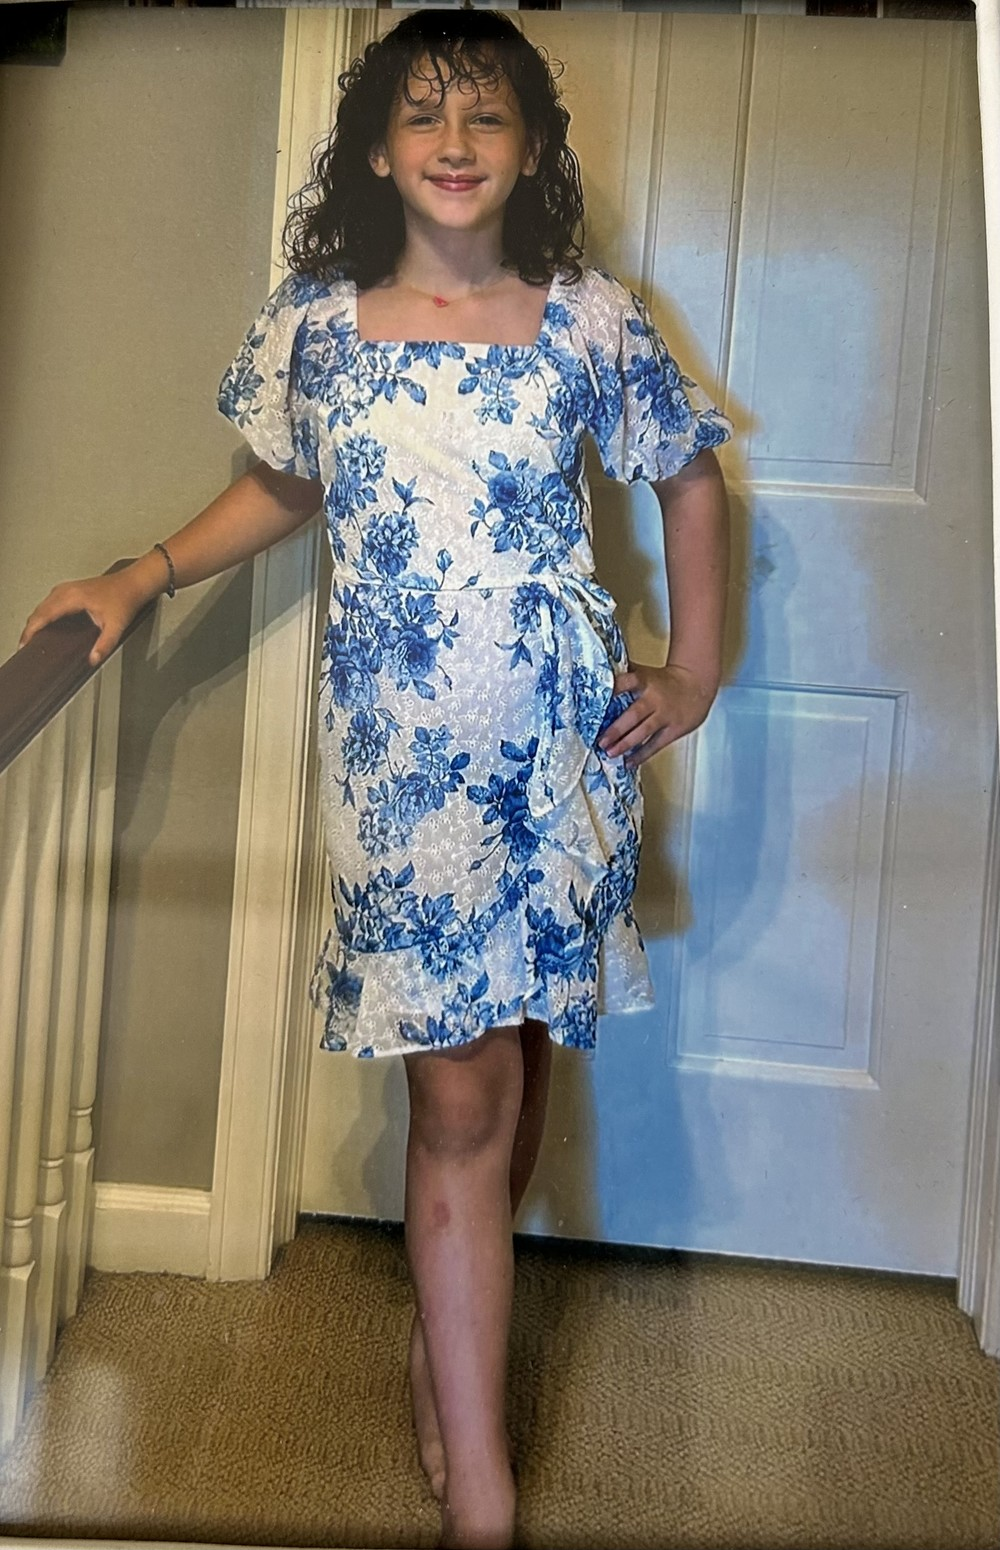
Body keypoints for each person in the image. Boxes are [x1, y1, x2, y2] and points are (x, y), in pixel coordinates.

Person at [19, 10, 731, 1547]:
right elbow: (283, 481)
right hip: (401, 777)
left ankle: (445, 1339)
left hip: (558, 758)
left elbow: (688, 472)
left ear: (530, 148)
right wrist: (142, 572)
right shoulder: (323, 326)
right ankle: (483, 1485)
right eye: (423, 114)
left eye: (485, 115)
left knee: (515, 1051)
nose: (455, 142)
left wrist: (695, 671)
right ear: (379, 150)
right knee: (460, 1089)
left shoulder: (590, 318)